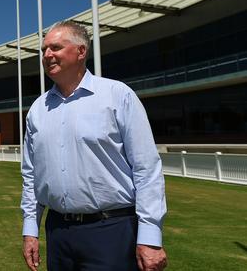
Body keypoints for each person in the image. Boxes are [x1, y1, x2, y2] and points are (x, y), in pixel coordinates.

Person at [20, 21, 168, 271]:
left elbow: (146, 168)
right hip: (58, 232)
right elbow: (30, 175)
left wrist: (150, 238)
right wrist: (30, 230)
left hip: (110, 231)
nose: (47, 55)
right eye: (44, 49)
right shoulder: (37, 109)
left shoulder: (117, 95)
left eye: (55, 47)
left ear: (81, 51)